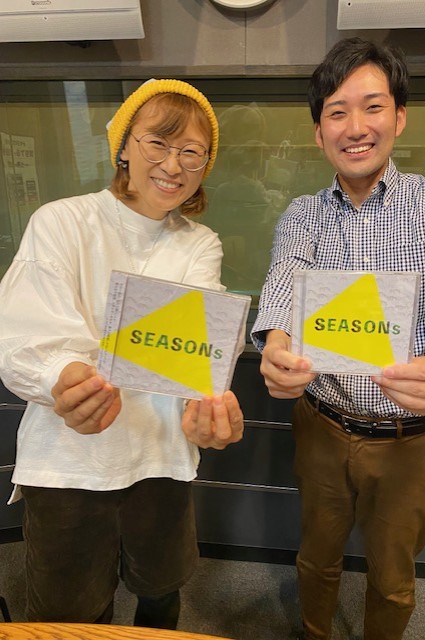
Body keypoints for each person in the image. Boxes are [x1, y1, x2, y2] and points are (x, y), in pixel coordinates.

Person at [251, 38, 425, 640]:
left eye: (372, 106)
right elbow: (281, 291)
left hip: (409, 440)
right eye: (337, 112)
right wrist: (275, 345)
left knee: (394, 576)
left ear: (399, 117)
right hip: (321, 426)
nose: (356, 127)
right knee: (315, 557)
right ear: (318, 132)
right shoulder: (302, 214)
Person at [0, 79, 244, 627]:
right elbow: (24, 331)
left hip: (160, 455)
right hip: (68, 462)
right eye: (157, 143)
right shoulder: (61, 222)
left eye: (192, 152)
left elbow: (197, 348)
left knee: (161, 593)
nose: (173, 165)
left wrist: (205, 403)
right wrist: (64, 377)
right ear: (124, 146)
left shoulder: (199, 243)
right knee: (69, 617)